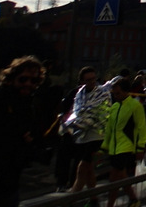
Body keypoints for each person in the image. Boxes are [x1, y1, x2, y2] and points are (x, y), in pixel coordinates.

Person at [0, 55, 46, 207]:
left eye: (34, 81)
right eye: (23, 79)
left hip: (11, 180)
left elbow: (33, 139)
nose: (28, 84)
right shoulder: (0, 101)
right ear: (11, 78)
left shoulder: (28, 105)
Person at [61, 67, 112, 196]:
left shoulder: (102, 93)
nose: (92, 82)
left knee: (82, 167)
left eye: (93, 79)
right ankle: (94, 199)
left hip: (96, 135)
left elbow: (103, 113)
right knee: (89, 170)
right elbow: (77, 112)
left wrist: (85, 118)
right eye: (88, 80)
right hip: (83, 136)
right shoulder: (79, 94)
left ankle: (72, 197)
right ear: (82, 81)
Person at [102, 76, 146, 207]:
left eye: (118, 93)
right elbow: (110, 128)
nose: (116, 96)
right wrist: (104, 146)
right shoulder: (114, 107)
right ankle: (133, 200)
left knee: (114, 179)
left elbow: (141, 127)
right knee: (120, 178)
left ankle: (110, 204)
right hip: (114, 148)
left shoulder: (135, 106)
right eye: (114, 94)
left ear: (126, 92)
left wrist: (140, 147)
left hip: (127, 147)